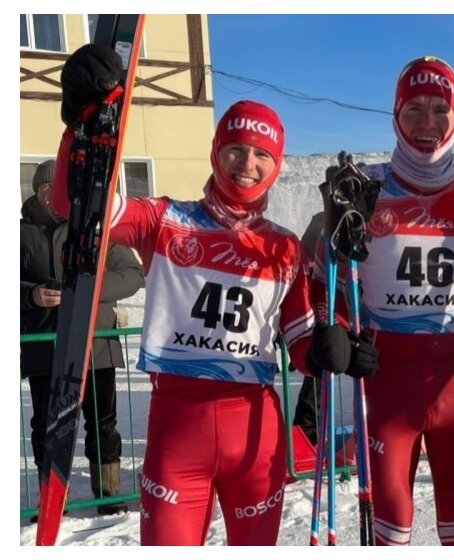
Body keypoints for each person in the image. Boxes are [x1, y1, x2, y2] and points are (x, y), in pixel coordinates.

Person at [51, 44, 371, 545]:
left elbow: (306, 348)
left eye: (262, 154)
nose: (247, 163)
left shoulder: (283, 247)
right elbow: (78, 201)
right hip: (178, 432)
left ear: (277, 164)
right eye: (236, 149)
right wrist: (83, 126)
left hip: (255, 435)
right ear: (217, 151)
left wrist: (338, 345)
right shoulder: (163, 220)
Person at [309, 56, 454, 546]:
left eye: (439, 109)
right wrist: (340, 332)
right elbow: (325, 280)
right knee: (391, 529)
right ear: (395, 115)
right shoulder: (360, 191)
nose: (427, 124)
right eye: (414, 110)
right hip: (386, 382)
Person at [21, 158, 144, 517]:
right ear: (38, 192)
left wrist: (89, 290)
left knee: (102, 422)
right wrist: (31, 295)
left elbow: (133, 273)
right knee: (47, 424)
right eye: (47, 189)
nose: (53, 196)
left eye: (59, 189)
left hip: (96, 347)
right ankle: (50, 498)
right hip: (46, 346)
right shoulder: (18, 232)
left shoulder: (96, 229)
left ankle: (108, 494)